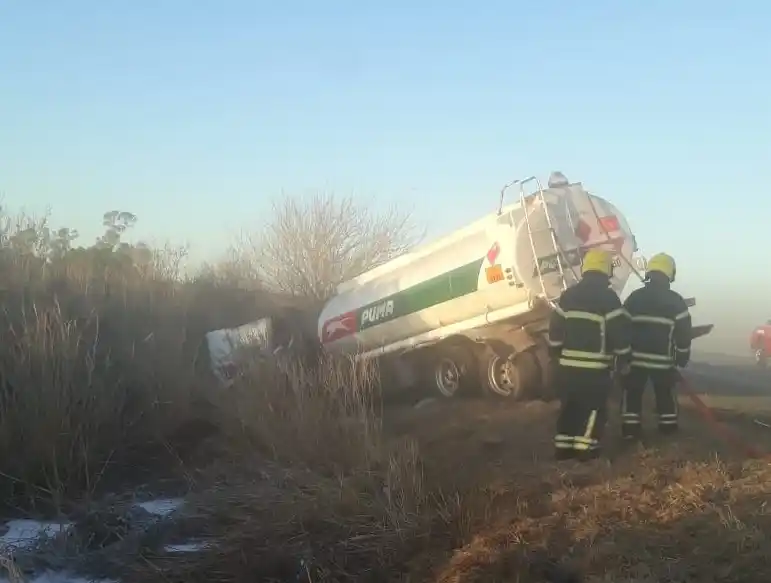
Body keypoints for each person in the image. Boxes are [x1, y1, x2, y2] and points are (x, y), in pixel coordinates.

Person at [547, 248, 632, 461]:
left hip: (567, 368)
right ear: (606, 271)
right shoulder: (609, 299)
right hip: (595, 370)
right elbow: (619, 332)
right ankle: (586, 450)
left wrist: (555, 351)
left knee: (570, 406)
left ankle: (563, 448)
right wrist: (624, 358)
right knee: (593, 409)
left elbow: (555, 327)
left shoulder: (568, 296)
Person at [620, 252, 692, 440]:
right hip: (663, 363)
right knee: (665, 395)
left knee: (633, 395)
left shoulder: (634, 298)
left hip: (635, 361)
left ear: (649, 272)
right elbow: (684, 334)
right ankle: (668, 430)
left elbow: (621, 327)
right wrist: (682, 357)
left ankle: (630, 431)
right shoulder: (676, 301)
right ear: (670, 274)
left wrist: (622, 356)